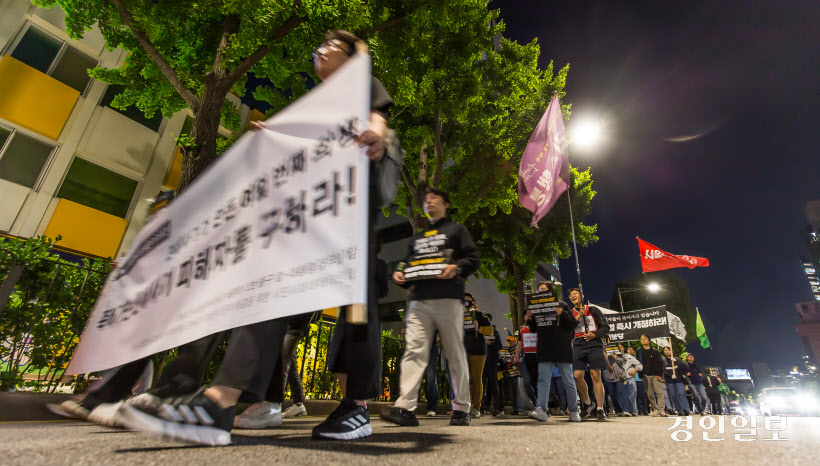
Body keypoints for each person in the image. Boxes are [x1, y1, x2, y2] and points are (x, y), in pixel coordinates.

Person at [118, 29, 403, 445]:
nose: (320, 52)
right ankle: (221, 400)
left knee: (356, 301)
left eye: (332, 46)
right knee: (269, 283)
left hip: (353, 198)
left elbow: (377, 113)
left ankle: (356, 407)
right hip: (307, 207)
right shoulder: (312, 105)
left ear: (352, 56)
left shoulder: (360, 83)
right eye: (318, 46)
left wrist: (376, 133)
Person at [379, 187, 481, 427]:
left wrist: (456, 268)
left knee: (454, 354)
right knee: (414, 351)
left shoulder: (456, 230)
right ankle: (405, 407)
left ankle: (461, 408)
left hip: (449, 299)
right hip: (419, 301)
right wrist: (400, 274)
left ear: (446, 204)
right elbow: (408, 264)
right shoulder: (417, 238)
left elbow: (473, 258)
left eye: (434, 197)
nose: (428, 201)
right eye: (425, 199)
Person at [527, 282, 581, 423]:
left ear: (550, 291)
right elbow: (533, 329)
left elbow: (572, 325)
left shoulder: (562, 305)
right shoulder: (536, 308)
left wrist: (562, 314)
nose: (540, 292)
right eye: (539, 290)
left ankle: (574, 411)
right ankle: (541, 409)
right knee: (543, 380)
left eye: (543, 289)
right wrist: (530, 319)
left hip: (562, 347)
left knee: (568, 380)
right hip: (545, 347)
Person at [568, 288, 610, 420]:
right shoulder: (571, 313)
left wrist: (595, 335)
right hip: (578, 346)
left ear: (582, 295)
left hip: (594, 345)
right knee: (577, 375)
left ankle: (600, 408)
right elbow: (568, 328)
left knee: (595, 375)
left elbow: (605, 327)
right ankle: (587, 403)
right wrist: (578, 316)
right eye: (571, 295)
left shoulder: (593, 310)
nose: (573, 296)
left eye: (576, 294)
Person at [513, 308, 538, 408]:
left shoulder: (538, 327)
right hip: (526, 357)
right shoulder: (522, 329)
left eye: (530, 314)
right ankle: (535, 403)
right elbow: (519, 342)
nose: (528, 316)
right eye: (526, 315)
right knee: (527, 382)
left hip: (537, 357)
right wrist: (516, 355)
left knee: (537, 382)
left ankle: (543, 405)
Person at [635, 334, 666, 416]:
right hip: (645, 375)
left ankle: (662, 410)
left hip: (656, 375)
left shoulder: (655, 351)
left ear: (649, 340)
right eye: (642, 339)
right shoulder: (639, 352)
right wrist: (640, 375)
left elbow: (660, 363)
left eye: (645, 338)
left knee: (659, 393)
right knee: (650, 394)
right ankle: (655, 409)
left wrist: (659, 374)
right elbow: (638, 363)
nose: (643, 340)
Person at [611, 343, 642, 416]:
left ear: (624, 348)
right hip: (620, 378)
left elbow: (639, 365)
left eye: (621, 347)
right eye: (617, 347)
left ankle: (634, 410)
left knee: (631, 394)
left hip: (629, 377)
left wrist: (635, 370)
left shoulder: (629, 357)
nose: (619, 349)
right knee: (622, 394)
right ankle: (625, 410)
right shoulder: (612, 358)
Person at [482, 315, 504, 416]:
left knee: (494, 386)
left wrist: (491, 343)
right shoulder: (479, 331)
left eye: (487, 319)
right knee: (481, 386)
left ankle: (498, 408)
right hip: (481, 362)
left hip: (492, 363)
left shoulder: (495, 332)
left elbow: (499, 346)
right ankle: (480, 407)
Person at [661, 346, 689, 415]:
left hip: (679, 380)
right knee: (673, 395)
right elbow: (663, 370)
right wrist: (670, 376)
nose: (667, 351)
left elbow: (684, 368)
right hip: (670, 380)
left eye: (668, 350)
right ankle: (679, 410)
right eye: (665, 350)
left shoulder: (676, 359)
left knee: (681, 394)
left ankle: (685, 409)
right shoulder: (663, 360)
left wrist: (677, 362)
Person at [423, 333, 442, 416]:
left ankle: (432, 407)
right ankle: (408, 408)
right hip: (418, 343)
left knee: (431, 376)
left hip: (430, 344)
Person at [627, 346, 649, 415]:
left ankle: (644, 409)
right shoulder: (626, 359)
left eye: (632, 350)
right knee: (634, 395)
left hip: (639, 379)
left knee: (642, 395)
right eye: (629, 350)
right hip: (631, 378)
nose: (630, 351)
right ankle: (637, 409)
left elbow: (642, 367)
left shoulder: (637, 359)